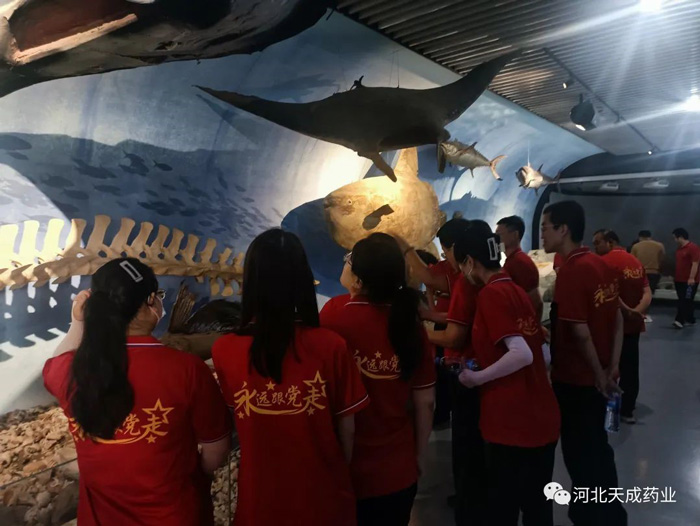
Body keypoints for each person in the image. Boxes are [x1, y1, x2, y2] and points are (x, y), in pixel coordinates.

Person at [43, 258, 232, 526]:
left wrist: (77, 323)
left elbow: (55, 364)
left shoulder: (69, 372)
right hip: (173, 515)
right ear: (151, 301)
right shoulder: (187, 369)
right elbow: (216, 449)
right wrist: (197, 477)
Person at [212, 229, 368, 526]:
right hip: (323, 495)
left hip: (260, 499)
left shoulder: (225, 350)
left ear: (251, 281)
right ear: (302, 279)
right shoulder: (331, 345)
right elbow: (347, 430)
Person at [321, 233, 436, 526]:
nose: (345, 263)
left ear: (358, 281)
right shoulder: (410, 324)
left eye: (349, 259)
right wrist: (419, 456)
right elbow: (425, 401)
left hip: (347, 470)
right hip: (398, 470)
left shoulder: (333, 317)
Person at [455, 225, 560, 526]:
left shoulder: (491, 294)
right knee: (538, 507)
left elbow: (522, 353)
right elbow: (541, 352)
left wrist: (476, 378)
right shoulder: (515, 290)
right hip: (541, 412)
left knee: (504, 506)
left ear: (470, 262)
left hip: (512, 420)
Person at [541, 201, 627, 525]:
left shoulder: (572, 272)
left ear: (563, 229)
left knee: (580, 456)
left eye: (545, 227)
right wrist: (611, 367)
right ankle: (609, 514)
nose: (542, 234)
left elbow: (579, 332)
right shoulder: (601, 265)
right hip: (600, 377)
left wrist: (598, 375)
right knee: (598, 451)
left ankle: (593, 517)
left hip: (577, 382)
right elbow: (617, 318)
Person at [593, 230, 652, 424]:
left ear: (610, 242)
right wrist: (636, 311)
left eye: (598, 243)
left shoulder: (604, 262)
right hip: (634, 325)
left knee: (610, 367)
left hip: (611, 326)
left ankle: (607, 409)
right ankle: (627, 409)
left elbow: (610, 292)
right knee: (631, 368)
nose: (595, 248)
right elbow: (647, 292)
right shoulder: (635, 262)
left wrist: (626, 310)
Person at [495, 215, 543, 321]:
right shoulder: (514, 260)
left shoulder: (520, 263)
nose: (496, 240)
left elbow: (535, 301)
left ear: (515, 235)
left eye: (499, 235)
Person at [671, 228, 700, 328]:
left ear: (680, 237)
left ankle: (679, 320)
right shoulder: (679, 249)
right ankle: (690, 319)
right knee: (685, 300)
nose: (674, 240)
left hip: (689, 281)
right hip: (679, 279)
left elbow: (695, 264)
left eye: (675, 238)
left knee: (685, 299)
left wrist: (691, 278)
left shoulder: (693, 248)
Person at [631, 230, 665, 295]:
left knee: (640, 294)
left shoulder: (635, 246)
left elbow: (632, 261)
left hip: (640, 273)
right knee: (650, 294)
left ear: (640, 237)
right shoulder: (660, 245)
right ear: (650, 237)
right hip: (654, 273)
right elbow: (662, 259)